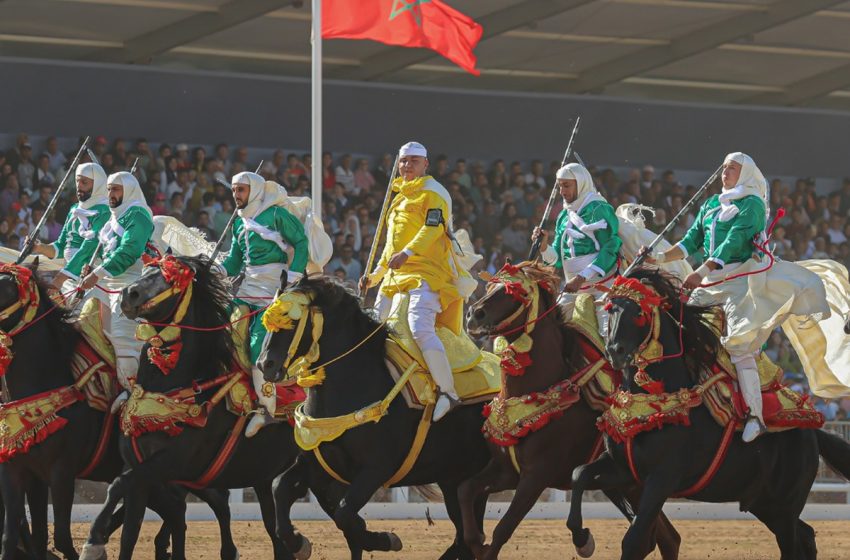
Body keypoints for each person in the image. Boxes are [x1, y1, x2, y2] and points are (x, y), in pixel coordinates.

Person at [642, 152, 830, 442]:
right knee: (676, 326)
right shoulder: (711, 204)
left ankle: (755, 415)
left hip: (741, 282)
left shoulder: (752, 204)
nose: (725, 173)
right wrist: (658, 257)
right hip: (709, 282)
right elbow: (690, 241)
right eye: (724, 168)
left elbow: (733, 243)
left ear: (745, 174)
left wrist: (700, 271)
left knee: (739, 347)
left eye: (732, 168)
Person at [359, 141, 471, 421]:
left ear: (425, 165)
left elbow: (433, 228)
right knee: (373, 330)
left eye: (413, 161)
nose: (407, 166)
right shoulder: (397, 198)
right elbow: (389, 246)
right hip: (395, 276)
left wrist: (408, 253)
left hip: (427, 272)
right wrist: (375, 275)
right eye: (403, 161)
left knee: (419, 327)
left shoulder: (434, 193)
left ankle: (448, 392)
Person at [220, 171, 309, 437]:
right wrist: (217, 271)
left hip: (276, 287)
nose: (236, 195)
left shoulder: (276, 215)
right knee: (225, 329)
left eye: (241, 190)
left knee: (260, 345)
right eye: (234, 190)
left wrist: (294, 275)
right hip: (247, 287)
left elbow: (301, 242)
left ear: (255, 191)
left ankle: (266, 409)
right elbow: (235, 261)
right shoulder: (239, 222)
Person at [78, 171, 155, 410]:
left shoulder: (139, 215)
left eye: (116, 189)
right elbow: (109, 254)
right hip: (106, 283)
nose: (111, 194)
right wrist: (92, 267)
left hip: (131, 285)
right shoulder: (114, 218)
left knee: (122, 338)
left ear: (129, 191)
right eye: (109, 189)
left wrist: (96, 274)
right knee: (82, 326)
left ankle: (133, 391)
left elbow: (129, 251)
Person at [532, 162, 622, 334]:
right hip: (573, 287)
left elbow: (611, 247)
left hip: (602, 287)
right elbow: (557, 259)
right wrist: (544, 247)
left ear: (580, 183)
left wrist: (582, 277)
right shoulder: (564, 216)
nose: (562, 191)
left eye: (566, 185)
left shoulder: (599, 209)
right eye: (559, 186)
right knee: (550, 328)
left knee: (608, 333)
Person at [33, 162, 111, 293]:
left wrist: (59, 278)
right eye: (77, 181)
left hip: (92, 279)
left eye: (84, 182)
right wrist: (39, 247)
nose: (79, 186)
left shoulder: (105, 211)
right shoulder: (74, 209)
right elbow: (61, 245)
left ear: (97, 184)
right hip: (69, 278)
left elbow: (89, 247)